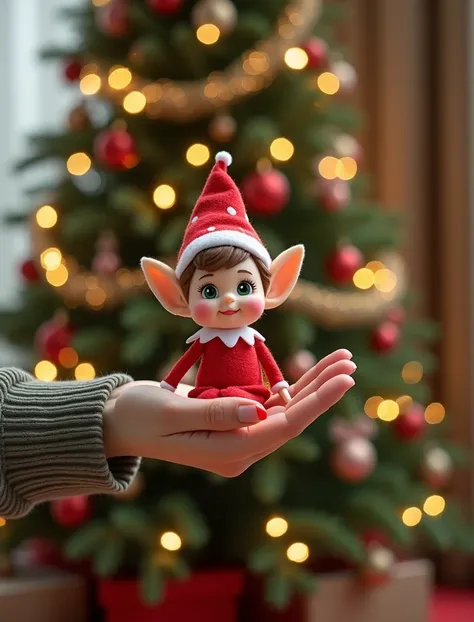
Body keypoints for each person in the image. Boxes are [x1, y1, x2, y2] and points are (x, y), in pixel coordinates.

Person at [0, 350, 355, 520]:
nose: (228, 302)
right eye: (211, 291)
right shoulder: (204, 340)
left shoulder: (252, 339)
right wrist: (164, 389)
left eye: (244, 288)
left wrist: (278, 384)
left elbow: (272, 367)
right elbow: (185, 364)